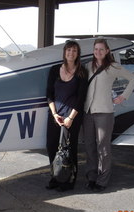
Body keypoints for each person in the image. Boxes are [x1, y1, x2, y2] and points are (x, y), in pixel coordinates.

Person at [83, 38, 134, 192]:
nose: (98, 52)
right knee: (89, 146)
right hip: (88, 112)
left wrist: (123, 96)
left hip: (104, 112)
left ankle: (102, 179)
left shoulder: (113, 67)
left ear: (107, 51)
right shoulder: (88, 66)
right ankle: (91, 177)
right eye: (96, 49)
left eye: (101, 49)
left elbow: (133, 79)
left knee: (103, 148)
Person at [46, 40, 88, 191]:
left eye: (74, 51)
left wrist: (70, 117)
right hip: (55, 115)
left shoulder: (82, 72)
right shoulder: (54, 70)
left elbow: (81, 98)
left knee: (69, 148)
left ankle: (69, 181)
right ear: (64, 52)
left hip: (72, 116)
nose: (71, 53)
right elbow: (49, 94)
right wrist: (54, 113)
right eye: (69, 50)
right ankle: (55, 177)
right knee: (51, 146)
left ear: (78, 54)